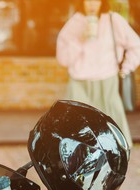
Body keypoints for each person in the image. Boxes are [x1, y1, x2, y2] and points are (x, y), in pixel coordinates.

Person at [56, 0, 140, 149]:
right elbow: (63, 59)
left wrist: (126, 68)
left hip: (107, 82)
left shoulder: (114, 20)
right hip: (79, 85)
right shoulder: (74, 23)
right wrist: (80, 40)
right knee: (77, 139)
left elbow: (136, 45)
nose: (91, 4)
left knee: (115, 140)